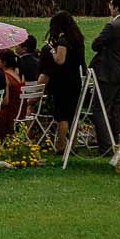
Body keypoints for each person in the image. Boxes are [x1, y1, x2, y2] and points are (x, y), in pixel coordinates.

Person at [89, 0, 120, 155]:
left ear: (116, 7)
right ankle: (116, 142)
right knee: (116, 111)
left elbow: (96, 44)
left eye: (111, 4)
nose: (109, 7)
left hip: (108, 73)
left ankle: (106, 146)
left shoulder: (113, 25)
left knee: (100, 109)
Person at [38, 11, 86, 153]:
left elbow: (60, 60)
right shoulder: (78, 39)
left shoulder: (63, 40)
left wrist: (52, 50)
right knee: (73, 114)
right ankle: (73, 144)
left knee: (62, 116)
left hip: (64, 82)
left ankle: (61, 145)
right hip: (75, 80)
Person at [0, 50, 23, 139]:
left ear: (4, 62)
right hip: (20, 110)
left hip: (10, 113)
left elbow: (5, 101)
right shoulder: (17, 73)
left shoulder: (5, 76)